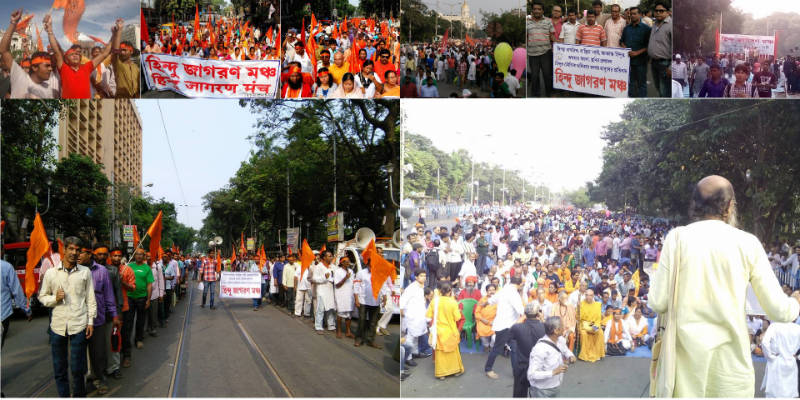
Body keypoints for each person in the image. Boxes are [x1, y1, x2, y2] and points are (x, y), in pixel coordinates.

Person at [650, 175, 800, 397]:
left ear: (695, 206)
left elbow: (657, 301)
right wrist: (795, 300)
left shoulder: (677, 239)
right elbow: (780, 311)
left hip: (685, 372)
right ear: (729, 207)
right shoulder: (748, 243)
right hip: (732, 372)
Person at [38, 236, 97, 397]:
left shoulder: (85, 272)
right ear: (64, 250)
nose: (74, 253)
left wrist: (90, 322)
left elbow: (90, 299)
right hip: (57, 327)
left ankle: (78, 395)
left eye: (77, 250)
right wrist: (54, 299)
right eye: (70, 249)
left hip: (79, 325)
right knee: (59, 368)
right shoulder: (51, 273)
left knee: (78, 368)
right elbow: (42, 297)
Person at [44, 14, 119, 99]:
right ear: (66, 59)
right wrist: (50, 31)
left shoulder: (87, 67)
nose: (75, 55)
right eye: (72, 54)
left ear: (80, 58)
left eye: (77, 54)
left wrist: (114, 35)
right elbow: (57, 51)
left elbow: (104, 53)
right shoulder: (63, 68)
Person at [1, 10, 60, 98]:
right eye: (47, 66)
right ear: (34, 67)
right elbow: (4, 51)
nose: (51, 69)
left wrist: (50, 31)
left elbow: (58, 53)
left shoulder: (52, 91)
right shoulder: (20, 77)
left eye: (50, 65)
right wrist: (13, 23)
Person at [86, 245, 118, 395]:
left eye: (82, 251)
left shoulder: (103, 271)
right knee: (78, 355)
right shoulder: (72, 270)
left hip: (98, 318)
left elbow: (109, 295)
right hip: (78, 320)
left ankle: (100, 377)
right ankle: (86, 380)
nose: (78, 254)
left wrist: (114, 314)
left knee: (98, 351)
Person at [484, 276, 524, 379]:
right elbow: (521, 311)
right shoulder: (514, 294)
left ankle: (516, 372)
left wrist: (484, 303)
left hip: (505, 326)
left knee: (514, 348)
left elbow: (491, 300)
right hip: (505, 326)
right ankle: (488, 369)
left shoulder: (503, 290)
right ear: (520, 284)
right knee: (497, 349)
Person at [527, 316, 576, 398]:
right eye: (562, 327)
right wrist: (553, 372)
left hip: (556, 386)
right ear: (556, 331)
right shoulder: (540, 349)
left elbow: (565, 350)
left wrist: (570, 356)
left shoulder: (560, 340)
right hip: (541, 390)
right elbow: (531, 375)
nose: (564, 328)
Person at [426, 282, 464, 379]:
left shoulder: (434, 301)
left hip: (439, 331)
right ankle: (455, 371)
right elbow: (457, 318)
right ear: (450, 291)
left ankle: (441, 374)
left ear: (439, 291)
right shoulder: (453, 302)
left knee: (440, 353)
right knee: (453, 352)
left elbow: (428, 316)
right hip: (450, 331)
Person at [510, 302, 546, 397]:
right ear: (538, 313)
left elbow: (511, 333)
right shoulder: (545, 327)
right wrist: (542, 319)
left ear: (525, 314)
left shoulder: (517, 327)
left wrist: (522, 318)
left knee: (519, 393)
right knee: (539, 393)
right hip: (540, 367)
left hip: (522, 365)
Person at [125, 248, 152, 364]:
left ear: (144, 256)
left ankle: (139, 339)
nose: (139, 256)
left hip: (142, 298)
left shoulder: (147, 268)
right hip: (129, 297)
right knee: (128, 321)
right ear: (134, 256)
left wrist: (148, 299)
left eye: (141, 254)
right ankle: (127, 343)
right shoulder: (129, 266)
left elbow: (150, 285)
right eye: (137, 254)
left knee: (140, 320)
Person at [354, 258, 389, 349]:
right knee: (362, 320)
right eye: (371, 265)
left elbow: (383, 285)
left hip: (375, 301)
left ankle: (370, 340)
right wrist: (356, 299)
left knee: (373, 322)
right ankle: (359, 339)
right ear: (367, 264)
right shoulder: (361, 273)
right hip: (363, 301)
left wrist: (384, 298)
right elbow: (356, 286)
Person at [1, 248, 32, 348]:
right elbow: (17, 291)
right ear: (1, 252)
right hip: (2, 316)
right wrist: (27, 310)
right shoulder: (6, 267)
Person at [760, 321, 800, 397]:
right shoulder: (797, 328)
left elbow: (764, 342)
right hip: (791, 361)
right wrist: (797, 356)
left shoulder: (774, 326)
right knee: (789, 391)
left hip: (777, 361)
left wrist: (770, 357)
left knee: (774, 391)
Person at [527, 1, 555, 97]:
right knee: (534, 77)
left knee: (547, 76)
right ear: (532, 10)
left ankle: (549, 94)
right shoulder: (527, 22)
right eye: (535, 9)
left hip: (545, 53)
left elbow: (552, 36)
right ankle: (536, 95)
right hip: (532, 54)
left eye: (539, 9)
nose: (537, 11)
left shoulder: (548, 21)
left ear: (543, 11)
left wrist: (561, 46)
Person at [647, 1, 672, 97]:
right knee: (658, 88)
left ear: (668, 12)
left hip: (664, 64)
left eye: (661, 11)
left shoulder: (670, 26)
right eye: (656, 11)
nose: (658, 13)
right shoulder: (655, 24)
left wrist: (670, 67)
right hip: (654, 63)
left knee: (664, 91)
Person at [309, 251, 336, 333]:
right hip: (322, 291)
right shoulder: (319, 267)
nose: (331, 257)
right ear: (324, 257)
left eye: (331, 256)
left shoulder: (333, 267)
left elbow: (336, 277)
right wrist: (324, 277)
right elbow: (314, 279)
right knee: (320, 309)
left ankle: (331, 325)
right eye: (329, 256)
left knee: (330, 309)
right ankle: (318, 326)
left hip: (330, 290)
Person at [578, 288, 604, 362]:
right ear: (585, 296)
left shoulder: (597, 305)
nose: (588, 297)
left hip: (594, 324)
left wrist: (595, 327)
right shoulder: (581, 304)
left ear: (593, 296)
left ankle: (598, 354)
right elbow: (578, 318)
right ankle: (585, 355)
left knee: (600, 332)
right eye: (587, 295)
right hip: (584, 325)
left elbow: (598, 319)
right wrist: (578, 308)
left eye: (590, 295)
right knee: (584, 334)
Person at [334, 257, 355, 338]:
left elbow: (353, 283)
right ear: (341, 263)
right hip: (341, 295)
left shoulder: (351, 271)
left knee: (349, 314)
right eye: (345, 261)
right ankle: (338, 331)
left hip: (350, 295)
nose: (347, 263)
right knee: (340, 314)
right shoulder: (338, 271)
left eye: (348, 261)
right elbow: (337, 285)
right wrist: (345, 278)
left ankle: (348, 331)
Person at [475, 284, 498, 352]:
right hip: (483, 321)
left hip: (495, 321)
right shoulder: (482, 300)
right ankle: (486, 345)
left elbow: (501, 313)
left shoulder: (499, 300)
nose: (491, 292)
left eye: (493, 290)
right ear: (486, 291)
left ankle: (491, 345)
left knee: (495, 336)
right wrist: (483, 320)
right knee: (481, 331)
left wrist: (494, 321)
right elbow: (477, 312)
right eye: (489, 290)